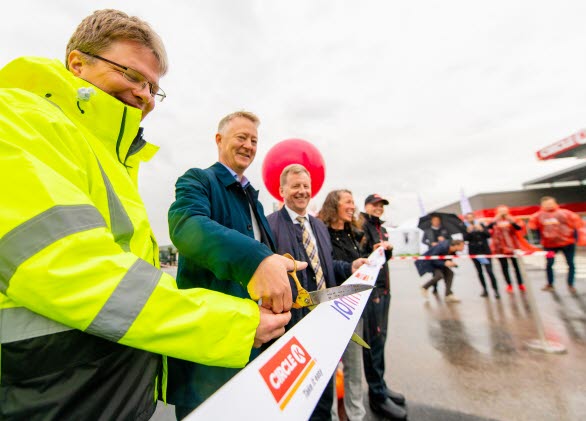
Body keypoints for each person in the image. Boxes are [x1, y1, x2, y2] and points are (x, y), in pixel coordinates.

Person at [0, 10, 291, 420]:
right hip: (54, 395)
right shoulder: (17, 119)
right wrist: (247, 283)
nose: (144, 95)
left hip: (114, 387)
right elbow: (77, 269)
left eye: (154, 87)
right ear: (77, 63)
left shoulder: (116, 160)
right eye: (132, 75)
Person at [167, 111, 306, 419]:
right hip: (211, 353)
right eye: (241, 137)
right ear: (219, 140)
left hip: (257, 341)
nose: (248, 145)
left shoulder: (254, 201)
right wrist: (256, 260)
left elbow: (263, 256)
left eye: (254, 140)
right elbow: (187, 225)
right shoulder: (198, 180)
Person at [267, 164, 366, 421]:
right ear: (281, 190)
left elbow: (326, 265)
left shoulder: (319, 226)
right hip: (294, 328)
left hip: (326, 320)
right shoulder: (270, 226)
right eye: (295, 186)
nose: (302, 191)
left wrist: (349, 266)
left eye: (306, 187)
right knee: (299, 397)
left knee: (324, 390)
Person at [318, 190, 367, 421]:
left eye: (353, 201)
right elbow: (328, 264)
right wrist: (349, 267)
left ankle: (356, 415)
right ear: (334, 205)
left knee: (354, 369)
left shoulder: (354, 233)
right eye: (348, 201)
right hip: (332, 310)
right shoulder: (321, 233)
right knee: (328, 369)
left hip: (355, 309)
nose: (352, 205)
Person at [359, 194, 408, 420]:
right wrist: (373, 248)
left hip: (384, 290)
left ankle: (380, 385)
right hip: (372, 293)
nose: (378, 209)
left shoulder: (381, 227)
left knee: (381, 340)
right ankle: (377, 397)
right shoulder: (362, 225)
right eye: (375, 205)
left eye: (381, 206)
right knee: (374, 344)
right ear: (366, 206)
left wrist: (386, 249)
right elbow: (360, 258)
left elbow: (383, 260)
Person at [528, 196, 584, 294]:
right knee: (549, 264)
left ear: (555, 203)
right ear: (542, 205)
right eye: (547, 204)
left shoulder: (565, 213)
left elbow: (577, 225)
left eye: (551, 203)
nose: (549, 206)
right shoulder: (538, 216)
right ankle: (550, 284)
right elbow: (533, 227)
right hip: (549, 245)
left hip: (568, 243)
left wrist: (576, 238)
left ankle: (571, 284)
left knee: (570, 263)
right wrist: (539, 239)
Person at [486, 205, 526, 293]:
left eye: (504, 211)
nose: (503, 213)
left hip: (512, 246)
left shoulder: (513, 219)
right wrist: (495, 220)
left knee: (516, 266)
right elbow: (488, 229)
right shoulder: (494, 221)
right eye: (501, 211)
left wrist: (511, 221)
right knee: (504, 267)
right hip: (499, 247)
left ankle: (520, 284)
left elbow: (518, 228)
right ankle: (509, 284)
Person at [464, 212, 500, 299]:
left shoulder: (481, 225)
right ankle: (484, 290)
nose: (470, 219)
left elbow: (488, 235)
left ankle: (496, 290)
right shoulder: (466, 228)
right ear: (466, 220)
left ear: (474, 218)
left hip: (485, 251)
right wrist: (468, 232)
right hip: (474, 252)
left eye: (471, 217)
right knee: (479, 272)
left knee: (489, 271)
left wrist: (481, 230)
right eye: (468, 218)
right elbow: (465, 239)